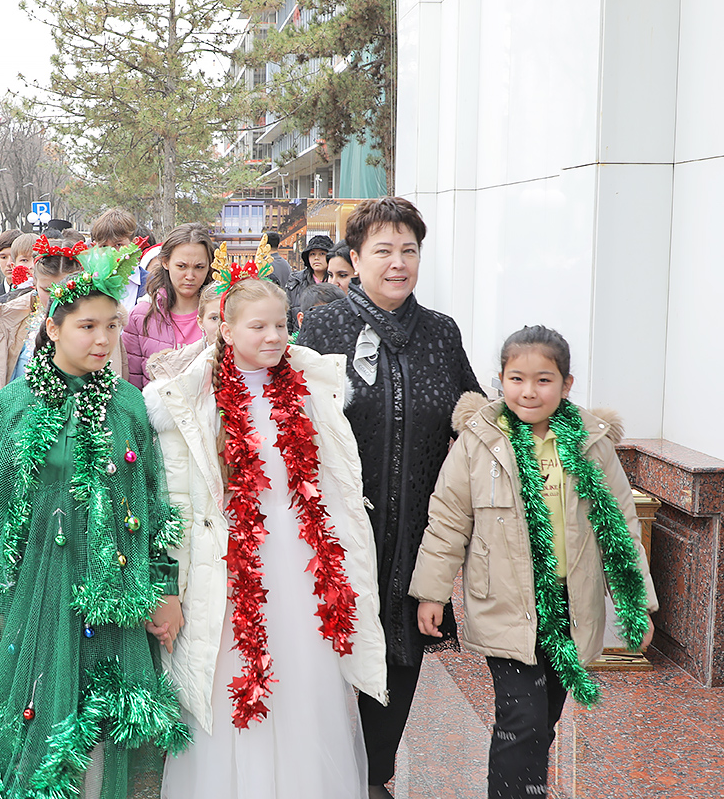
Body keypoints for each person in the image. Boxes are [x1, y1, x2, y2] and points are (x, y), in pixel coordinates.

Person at [0, 243, 189, 799]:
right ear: (53, 328)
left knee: (105, 729)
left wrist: (163, 588)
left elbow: (151, 504)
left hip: (115, 592)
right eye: (86, 326)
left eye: (110, 326)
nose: (102, 340)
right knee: (37, 722)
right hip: (39, 592)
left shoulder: (129, 404)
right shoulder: (16, 404)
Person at [144, 264, 387, 797]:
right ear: (226, 331)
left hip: (301, 559)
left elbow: (334, 481)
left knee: (301, 681)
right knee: (233, 679)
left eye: (281, 324)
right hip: (231, 561)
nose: (274, 336)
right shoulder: (191, 400)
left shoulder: (313, 391)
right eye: (258, 326)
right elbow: (177, 498)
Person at [410, 325, 657, 799]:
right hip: (505, 601)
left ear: (566, 385)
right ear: (500, 380)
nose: (529, 391)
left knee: (544, 715)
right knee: (521, 717)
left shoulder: (590, 443)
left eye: (544, 380)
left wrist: (634, 603)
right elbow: (447, 520)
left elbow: (620, 528)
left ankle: (523, 784)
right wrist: (432, 592)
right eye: (517, 378)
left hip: (569, 606)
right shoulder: (479, 442)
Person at [296, 197, 483, 799]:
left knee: (399, 664)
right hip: (336, 537)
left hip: (413, 539)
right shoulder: (323, 330)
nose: (398, 263)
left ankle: (372, 779)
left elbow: (472, 418)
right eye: (383, 251)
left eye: (409, 250)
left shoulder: (441, 333)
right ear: (354, 259)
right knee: (332, 666)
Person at [0, 235, 126, 509]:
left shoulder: (103, 332)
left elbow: (115, 387)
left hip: (76, 447)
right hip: (10, 443)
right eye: (46, 289)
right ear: (33, 283)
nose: (56, 297)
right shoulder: (9, 324)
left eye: (66, 288)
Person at [122, 222, 215, 389]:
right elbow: (132, 385)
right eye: (181, 266)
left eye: (199, 267)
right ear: (165, 262)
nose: (190, 276)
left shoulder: (224, 313)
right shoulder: (141, 315)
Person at [144, 276, 222, 384]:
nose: (222, 325)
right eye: (214, 318)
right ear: (200, 322)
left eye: (229, 317)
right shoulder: (175, 366)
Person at [286, 234, 333, 328]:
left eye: (322, 254)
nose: (316, 258)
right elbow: (287, 314)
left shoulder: (336, 280)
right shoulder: (296, 281)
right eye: (312, 254)